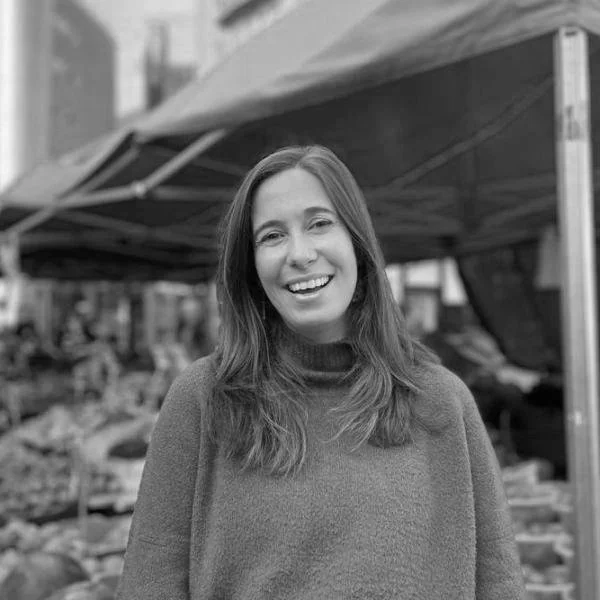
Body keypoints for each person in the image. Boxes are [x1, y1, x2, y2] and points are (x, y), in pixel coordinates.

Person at [117, 145, 525, 599]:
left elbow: (498, 582)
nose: (300, 253)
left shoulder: (440, 399)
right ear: (250, 267)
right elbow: (149, 583)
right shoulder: (202, 398)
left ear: (357, 243)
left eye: (319, 224)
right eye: (272, 235)